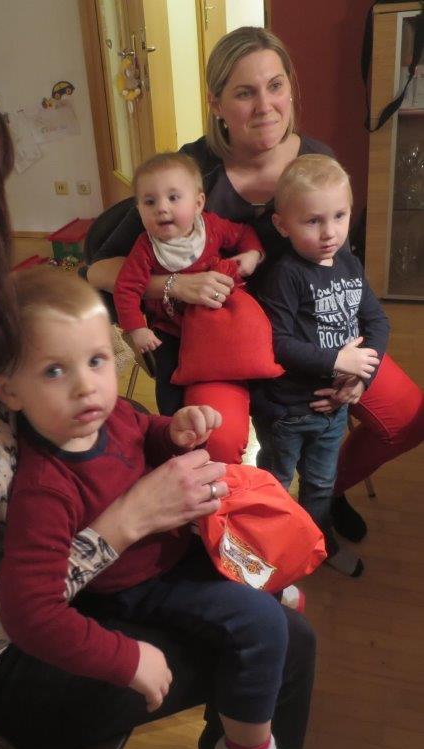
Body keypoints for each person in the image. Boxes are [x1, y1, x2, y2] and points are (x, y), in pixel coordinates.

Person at [0, 66, 317, 749]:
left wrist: (157, 436)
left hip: (74, 577)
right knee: (279, 642)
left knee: (278, 624)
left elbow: (87, 420)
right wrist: (128, 521)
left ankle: (234, 748)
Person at [87, 24, 424, 552]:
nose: (265, 106)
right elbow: (98, 269)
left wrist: (357, 367)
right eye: (245, 92)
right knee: (218, 441)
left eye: (275, 85)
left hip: (314, 342)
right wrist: (178, 284)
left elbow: (344, 273)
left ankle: (321, 491)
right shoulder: (189, 172)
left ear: (290, 86)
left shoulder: (316, 160)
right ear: (216, 103)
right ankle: (244, 529)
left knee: (405, 417)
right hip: (226, 348)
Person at [0, 266, 307, 749]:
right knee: (263, 625)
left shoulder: (109, 413)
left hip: (175, 546)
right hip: (139, 585)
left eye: (96, 360)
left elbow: (143, 431)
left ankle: (264, 586)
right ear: (8, 390)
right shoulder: (44, 487)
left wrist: (174, 431)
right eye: (54, 371)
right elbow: (29, 613)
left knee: (259, 539)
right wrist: (127, 657)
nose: (85, 387)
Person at [258, 154, 389, 577]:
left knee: (320, 485)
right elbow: (278, 343)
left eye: (339, 216)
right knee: (276, 482)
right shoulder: (287, 274)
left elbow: (377, 321)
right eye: (313, 221)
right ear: (282, 225)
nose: (330, 232)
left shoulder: (349, 264)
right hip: (288, 412)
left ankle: (318, 543)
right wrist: (338, 359)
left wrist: (361, 380)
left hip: (334, 411)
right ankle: (271, 550)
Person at [114, 152, 264, 416]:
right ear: (138, 210)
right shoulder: (146, 247)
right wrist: (137, 329)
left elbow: (243, 233)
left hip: (215, 323)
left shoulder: (211, 227)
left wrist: (252, 254)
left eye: (173, 198)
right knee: (168, 384)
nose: (162, 208)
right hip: (172, 329)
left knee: (233, 369)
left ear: (198, 203)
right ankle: (173, 423)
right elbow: (126, 288)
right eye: (149, 202)